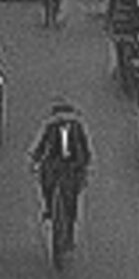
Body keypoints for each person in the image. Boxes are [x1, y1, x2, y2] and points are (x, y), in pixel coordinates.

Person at [31, 107, 93, 250]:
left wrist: (85, 165)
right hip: (55, 163)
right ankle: (49, 207)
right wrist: (35, 159)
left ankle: (69, 232)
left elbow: (85, 149)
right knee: (44, 179)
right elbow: (42, 146)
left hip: (73, 165)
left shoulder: (78, 129)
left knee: (71, 197)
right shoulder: (51, 128)